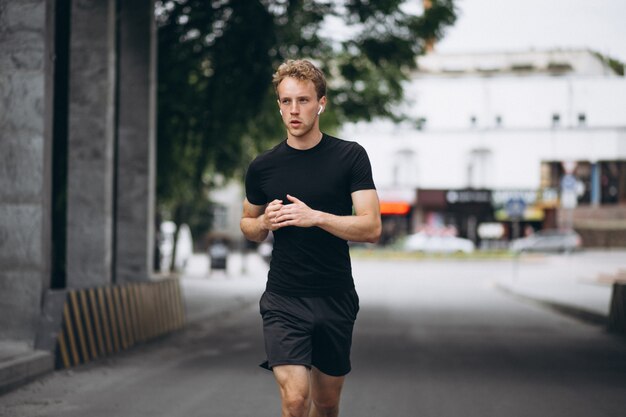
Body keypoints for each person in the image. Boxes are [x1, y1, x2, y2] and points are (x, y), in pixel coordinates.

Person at [240, 59, 381, 417]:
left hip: (335, 296)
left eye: (303, 100)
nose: (294, 110)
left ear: (321, 103)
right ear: (279, 106)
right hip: (284, 298)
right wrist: (265, 224)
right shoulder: (263, 166)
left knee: (327, 403)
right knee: (295, 399)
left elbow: (371, 228)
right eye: (286, 102)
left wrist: (315, 217)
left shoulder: (349, 156)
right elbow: (248, 222)